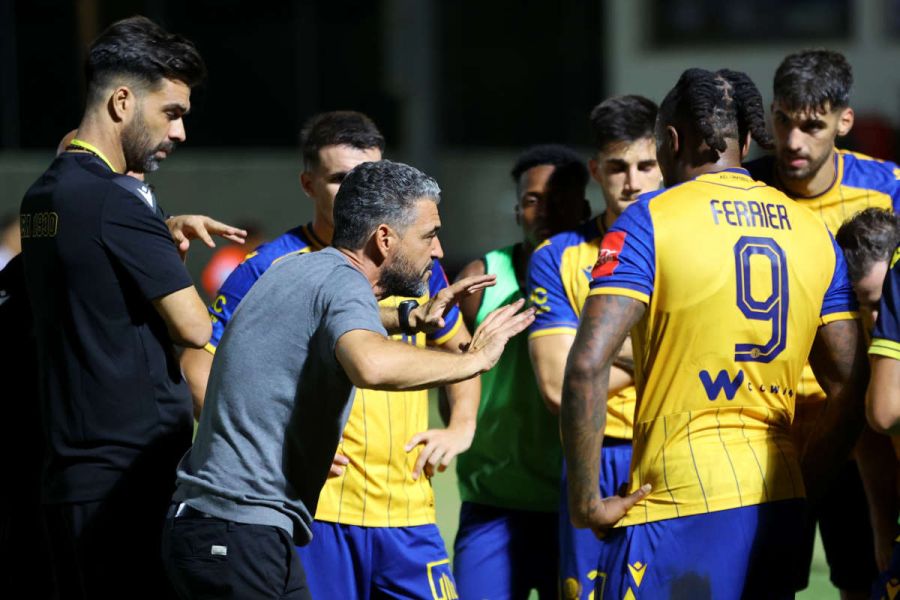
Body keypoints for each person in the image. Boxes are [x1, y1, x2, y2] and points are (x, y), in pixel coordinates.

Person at [162, 159, 533, 599]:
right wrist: (474, 360)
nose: (437, 251)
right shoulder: (342, 284)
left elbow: (329, 315)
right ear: (384, 239)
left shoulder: (299, 268)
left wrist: (409, 317)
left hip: (233, 527)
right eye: (428, 235)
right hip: (235, 531)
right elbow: (369, 364)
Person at [561, 68, 867, 599]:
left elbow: (587, 364)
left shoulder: (649, 220)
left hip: (678, 498)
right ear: (746, 142)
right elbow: (850, 383)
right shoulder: (813, 231)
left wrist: (587, 502)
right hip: (778, 496)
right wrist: (806, 484)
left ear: (671, 141)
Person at [19, 16, 244, 598]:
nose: (180, 131)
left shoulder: (43, 195)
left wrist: (156, 238)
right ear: (122, 101)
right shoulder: (116, 201)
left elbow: (88, 281)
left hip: (68, 475)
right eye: (171, 112)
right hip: (129, 479)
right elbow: (194, 328)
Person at [746, 49, 900, 597]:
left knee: (865, 581)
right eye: (782, 120)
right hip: (763, 431)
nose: (792, 141)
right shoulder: (741, 192)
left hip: (858, 432)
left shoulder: (888, 189)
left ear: (844, 121)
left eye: (812, 126)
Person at [526, 95, 661, 600]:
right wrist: (663, 353)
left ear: (664, 163)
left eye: (646, 166)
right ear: (596, 171)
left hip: (675, 451)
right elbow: (557, 388)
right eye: (618, 167)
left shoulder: (694, 241)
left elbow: (578, 371)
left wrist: (596, 354)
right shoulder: (557, 257)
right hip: (596, 455)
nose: (633, 182)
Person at [451, 144, 590, 599]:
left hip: (573, 500)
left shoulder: (605, 279)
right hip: (493, 500)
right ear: (517, 211)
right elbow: (452, 373)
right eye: (533, 200)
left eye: (559, 198)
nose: (545, 210)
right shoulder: (482, 279)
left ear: (583, 207)